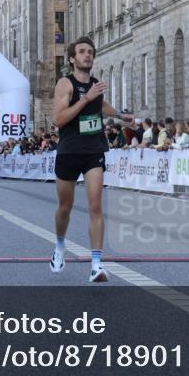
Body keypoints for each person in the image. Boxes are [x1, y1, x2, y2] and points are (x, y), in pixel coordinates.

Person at [51, 37, 133, 283]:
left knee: (96, 207)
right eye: (82, 52)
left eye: (90, 52)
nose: (88, 55)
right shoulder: (65, 84)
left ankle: (96, 264)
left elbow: (101, 104)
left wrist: (120, 114)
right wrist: (85, 99)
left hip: (93, 150)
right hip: (68, 151)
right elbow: (59, 119)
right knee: (64, 208)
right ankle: (60, 245)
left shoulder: (96, 84)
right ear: (73, 59)